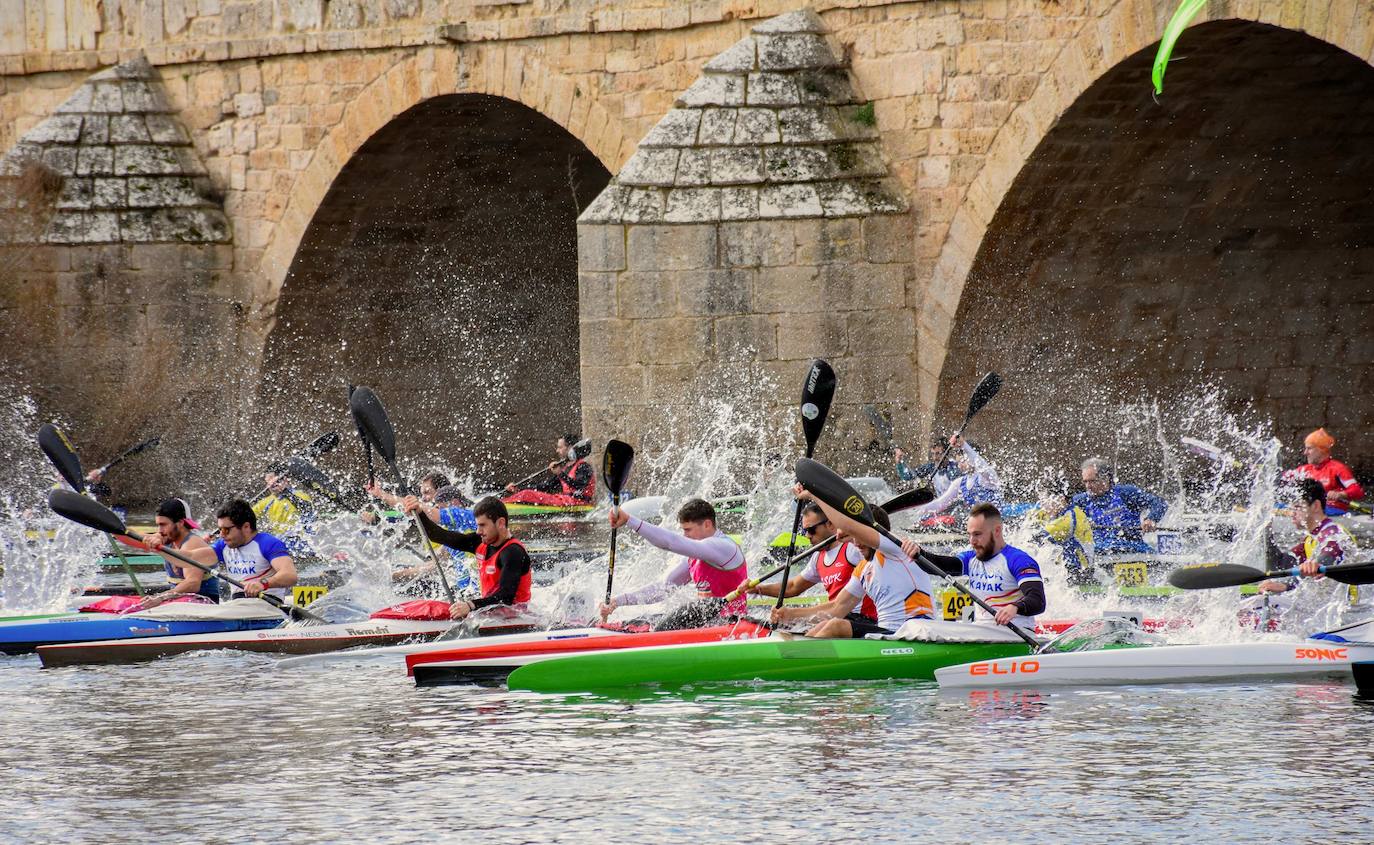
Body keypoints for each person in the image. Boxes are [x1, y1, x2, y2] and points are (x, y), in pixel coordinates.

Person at [771, 489, 933, 638]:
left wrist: (815, 497)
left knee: (835, 626)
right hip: (887, 634)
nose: (855, 544)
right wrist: (790, 614)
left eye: (858, 537)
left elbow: (849, 525)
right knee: (825, 624)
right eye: (852, 538)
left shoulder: (893, 549)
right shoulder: (863, 569)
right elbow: (836, 608)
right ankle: (799, 659)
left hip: (914, 633)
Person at [599, 498, 747, 630]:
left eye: (688, 530)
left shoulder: (723, 547)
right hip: (705, 621)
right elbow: (664, 589)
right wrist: (616, 601)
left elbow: (671, 543)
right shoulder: (695, 556)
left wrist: (630, 520)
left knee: (663, 625)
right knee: (645, 621)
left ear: (707, 524)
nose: (685, 536)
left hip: (730, 624)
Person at [901, 502, 1046, 629]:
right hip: (984, 632)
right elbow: (942, 566)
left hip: (1015, 634)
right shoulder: (971, 559)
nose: (972, 541)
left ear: (997, 530)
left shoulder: (1018, 560)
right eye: (969, 534)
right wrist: (919, 554)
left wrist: (1015, 607)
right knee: (917, 625)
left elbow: (1037, 600)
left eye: (977, 534)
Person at [1254, 479, 1366, 627]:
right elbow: (1281, 563)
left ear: (1316, 506)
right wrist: (1265, 529)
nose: (1291, 514)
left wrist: (1316, 563)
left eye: (1297, 507)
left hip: (1348, 617)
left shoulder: (1333, 531)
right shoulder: (1310, 539)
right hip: (1325, 611)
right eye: (1291, 508)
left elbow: (1331, 551)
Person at [744, 502, 877, 622]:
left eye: (811, 530)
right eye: (804, 531)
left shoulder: (852, 548)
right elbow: (793, 587)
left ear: (830, 524)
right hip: (836, 617)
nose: (807, 536)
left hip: (863, 619)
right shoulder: (817, 557)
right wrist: (757, 589)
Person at [417, 497, 531, 620]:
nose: (478, 531)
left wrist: (470, 605)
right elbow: (440, 536)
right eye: (477, 525)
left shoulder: (513, 552)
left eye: (483, 525)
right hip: (491, 615)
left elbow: (505, 597)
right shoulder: (479, 543)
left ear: (501, 523)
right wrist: (420, 513)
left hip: (514, 619)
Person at [1072, 457, 1168, 554]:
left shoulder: (1126, 493)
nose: (1088, 486)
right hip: (1098, 553)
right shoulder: (1080, 501)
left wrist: (1151, 519)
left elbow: (1159, 503)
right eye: (1085, 482)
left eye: (1092, 481)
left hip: (1133, 549)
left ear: (1106, 478)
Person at [137, 498, 220, 608]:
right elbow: (134, 539)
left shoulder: (192, 543)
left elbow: (193, 584)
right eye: (158, 525)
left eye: (163, 524)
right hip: (181, 604)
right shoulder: (168, 537)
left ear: (180, 523)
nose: (159, 530)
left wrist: (160, 598)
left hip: (203, 605)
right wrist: (117, 531)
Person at [396, 485, 478, 591]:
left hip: (477, 591)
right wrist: (398, 575)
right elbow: (433, 565)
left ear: (455, 502)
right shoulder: (454, 533)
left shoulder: (465, 516)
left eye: (441, 508)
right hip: (463, 591)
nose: (438, 511)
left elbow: (431, 514)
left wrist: (382, 494)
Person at [213, 498, 298, 600]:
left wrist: (262, 584)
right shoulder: (224, 545)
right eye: (220, 530)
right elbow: (194, 556)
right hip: (239, 604)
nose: (222, 535)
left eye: (226, 530)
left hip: (267, 605)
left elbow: (290, 575)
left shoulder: (268, 543)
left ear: (246, 527)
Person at [908, 436, 1002, 518]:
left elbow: (982, 465)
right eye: (959, 462)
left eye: (964, 461)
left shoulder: (986, 478)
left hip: (996, 523)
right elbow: (940, 503)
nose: (960, 465)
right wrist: (919, 509)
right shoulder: (960, 482)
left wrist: (964, 445)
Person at [1284, 428, 1365, 515]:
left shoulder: (1338, 468)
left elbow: (1358, 491)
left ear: (1320, 450)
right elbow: (1283, 478)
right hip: (1311, 509)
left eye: (1309, 448)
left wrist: (1340, 494)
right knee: (1279, 506)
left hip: (1333, 510)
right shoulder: (1304, 470)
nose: (1305, 453)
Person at [503, 435, 595, 506]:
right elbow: (546, 486)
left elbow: (579, 486)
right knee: (525, 493)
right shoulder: (565, 468)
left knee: (525, 494)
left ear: (570, 448)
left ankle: (501, 507)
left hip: (578, 503)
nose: (557, 450)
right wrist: (518, 489)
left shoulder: (584, 467)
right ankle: (502, 503)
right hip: (565, 501)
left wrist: (560, 474)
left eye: (560, 447)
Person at [1032, 481, 1094, 583]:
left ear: (1060, 499)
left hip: (1082, 574)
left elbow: (1036, 538)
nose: (1043, 505)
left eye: (1045, 500)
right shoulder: (1056, 512)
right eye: (1041, 501)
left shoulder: (1069, 517)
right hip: (1066, 571)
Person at [362, 471, 450, 522]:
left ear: (441, 492)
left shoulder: (453, 514)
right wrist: (377, 516)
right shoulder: (426, 514)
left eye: (427, 492)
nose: (423, 498)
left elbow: (414, 506)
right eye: (422, 494)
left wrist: (381, 494)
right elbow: (401, 515)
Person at [896, 436, 960, 494]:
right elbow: (907, 476)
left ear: (946, 453)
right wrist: (899, 462)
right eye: (933, 454)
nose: (935, 458)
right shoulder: (931, 467)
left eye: (938, 454)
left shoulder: (954, 469)